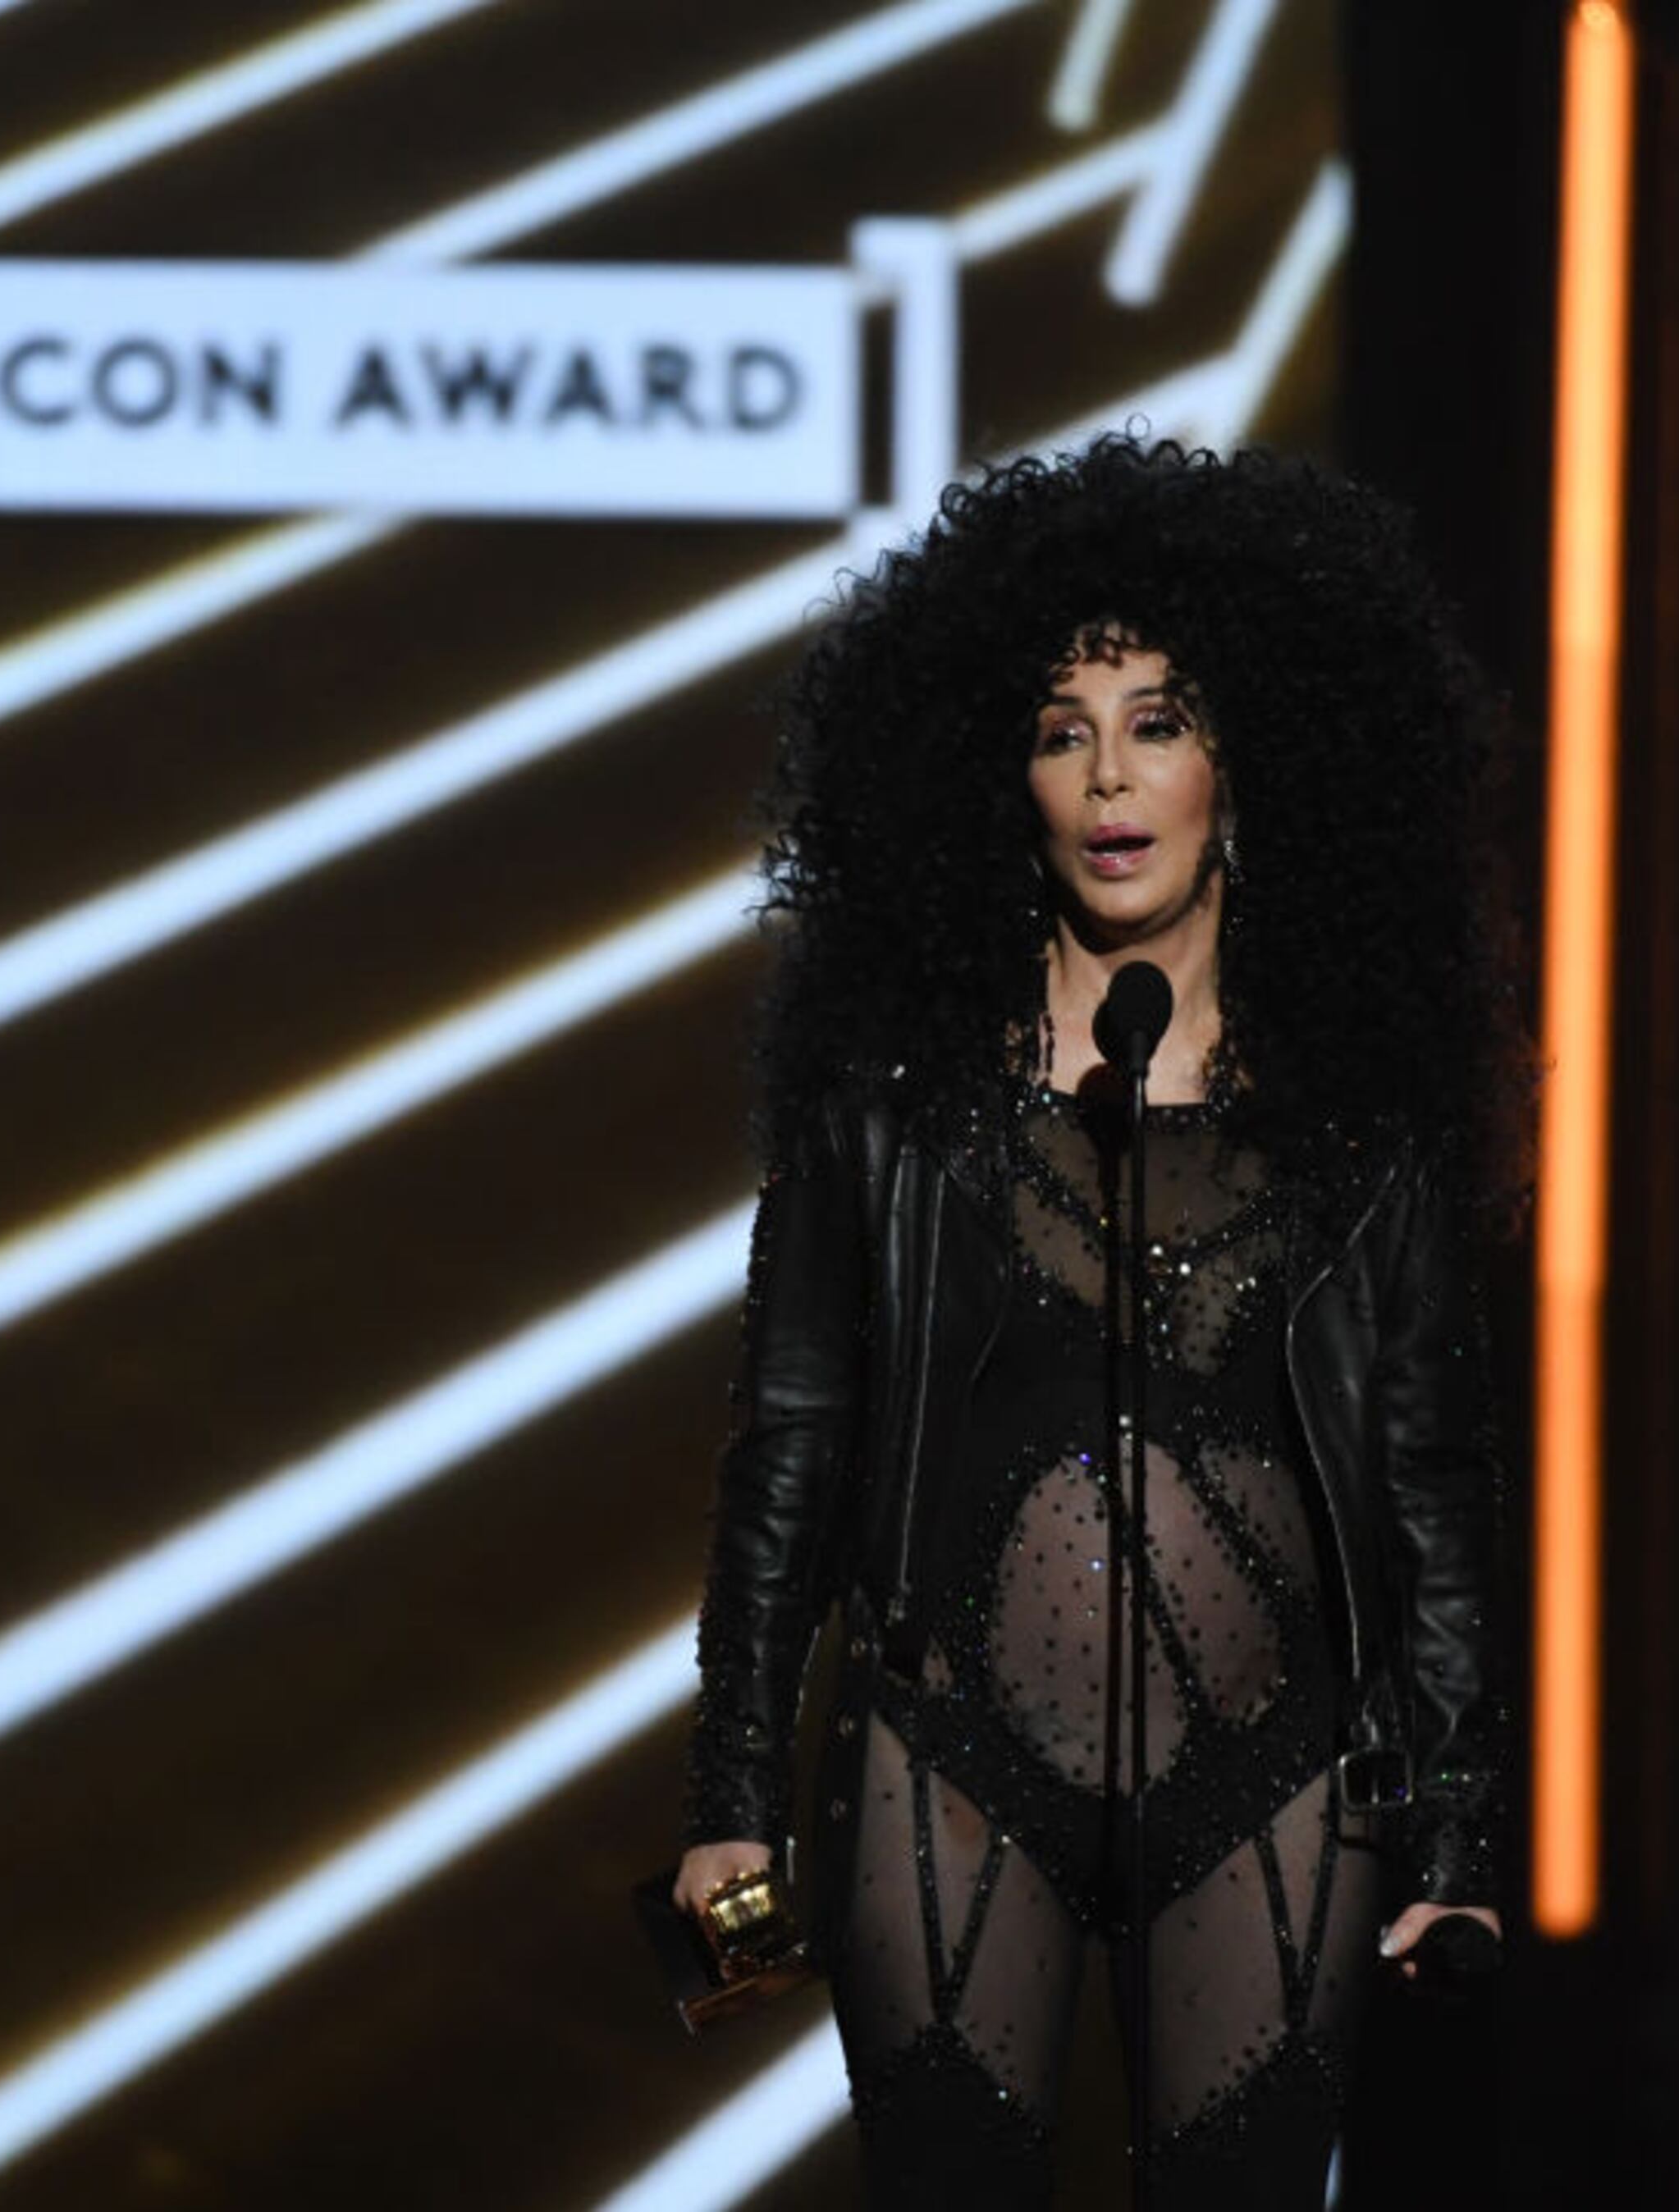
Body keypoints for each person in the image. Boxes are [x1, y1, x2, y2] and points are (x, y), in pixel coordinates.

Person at [670, 431, 1531, 2208]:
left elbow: (1432, 1481)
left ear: (1249, 758)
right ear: (1003, 774)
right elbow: (793, 1451)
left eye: (1162, 717)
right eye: (1064, 728)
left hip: (1277, 1778)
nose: (1113, 774)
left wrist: (1452, 1826)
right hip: (953, 1762)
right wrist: (734, 1792)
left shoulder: (1362, 1136)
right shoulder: (891, 1111)